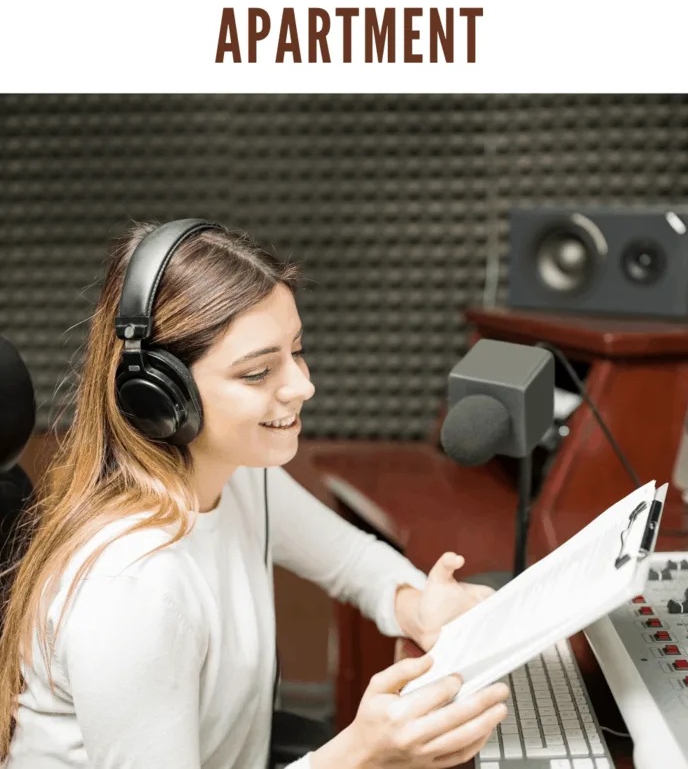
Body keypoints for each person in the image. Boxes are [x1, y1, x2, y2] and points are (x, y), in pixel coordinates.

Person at [0, 220, 509, 769]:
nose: (302, 385)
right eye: (259, 372)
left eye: (297, 351)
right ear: (160, 396)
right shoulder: (134, 589)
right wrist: (361, 752)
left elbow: (352, 562)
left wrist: (417, 606)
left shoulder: (237, 474)